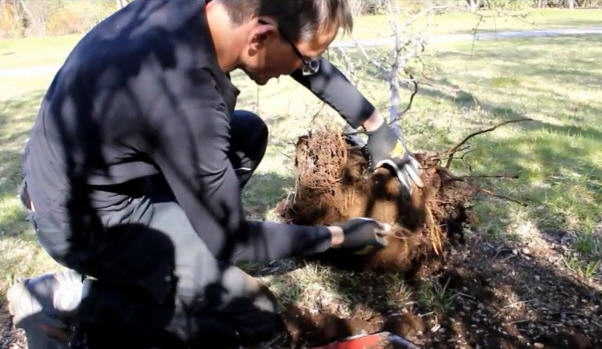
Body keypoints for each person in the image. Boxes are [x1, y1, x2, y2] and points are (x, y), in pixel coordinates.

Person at [8, 0, 421, 347]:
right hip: (85, 221)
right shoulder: (186, 97)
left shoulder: (215, 13)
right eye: (306, 58)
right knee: (248, 316)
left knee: (248, 133)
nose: (305, 68)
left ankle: (185, 253)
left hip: (103, 177)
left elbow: (298, 49)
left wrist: (374, 125)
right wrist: (337, 236)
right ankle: (70, 301)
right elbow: (234, 241)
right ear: (260, 37)